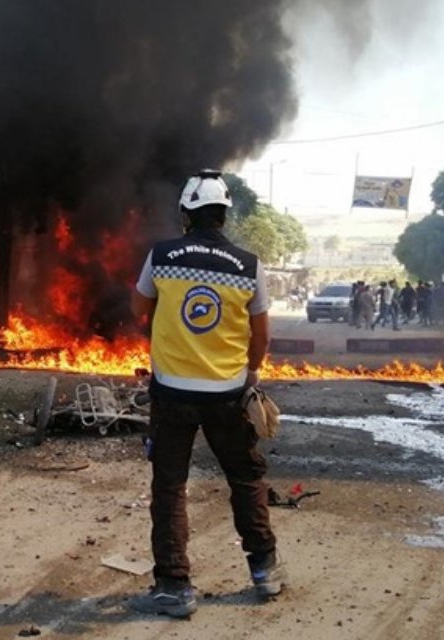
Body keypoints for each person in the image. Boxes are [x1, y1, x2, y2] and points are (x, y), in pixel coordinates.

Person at [127, 170, 281, 619]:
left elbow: (139, 307)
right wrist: (251, 373)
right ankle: (264, 571)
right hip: (228, 394)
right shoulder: (249, 265)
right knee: (245, 478)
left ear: (186, 214)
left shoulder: (162, 255)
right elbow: (261, 335)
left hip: (172, 392)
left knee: (170, 486)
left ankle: (174, 586)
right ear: (225, 215)